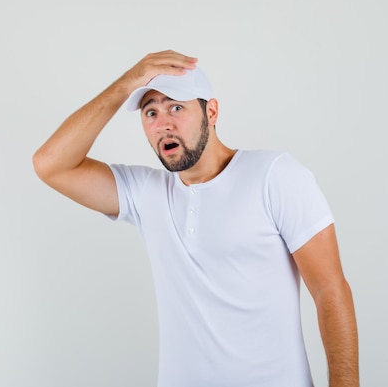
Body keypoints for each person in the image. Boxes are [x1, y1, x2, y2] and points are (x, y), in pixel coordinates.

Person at [32, 50, 359, 387]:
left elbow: (330, 290)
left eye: (177, 107)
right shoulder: (146, 193)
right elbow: (50, 164)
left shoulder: (274, 175)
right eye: (150, 112)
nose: (163, 124)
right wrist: (124, 85)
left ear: (211, 112)